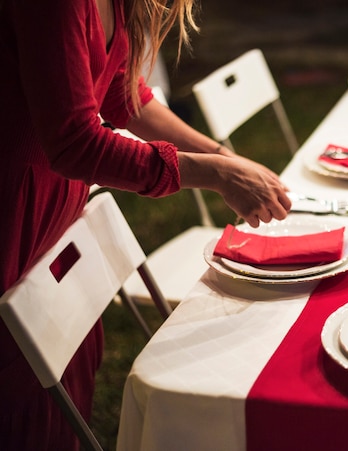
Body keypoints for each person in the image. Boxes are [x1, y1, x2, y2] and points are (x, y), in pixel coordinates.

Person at [0, 0, 291, 449]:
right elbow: (75, 142)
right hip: (14, 217)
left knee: (62, 389)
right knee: (21, 396)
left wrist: (222, 156)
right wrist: (212, 174)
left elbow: (123, 96)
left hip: (57, 214)